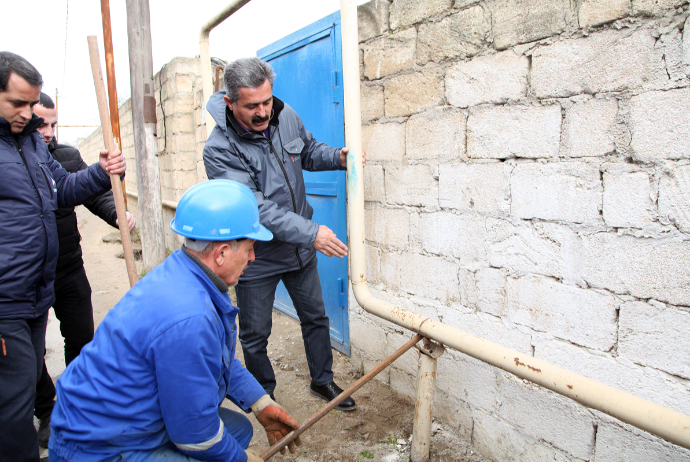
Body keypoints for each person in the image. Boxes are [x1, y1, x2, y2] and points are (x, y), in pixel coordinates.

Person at [49, 179, 302, 462]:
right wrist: (240, 460)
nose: (253, 257)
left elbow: (214, 360)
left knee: (238, 430)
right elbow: (196, 435)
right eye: (250, 247)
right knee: (222, 446)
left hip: (117, 420)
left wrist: (260, 402)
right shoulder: (190, 318)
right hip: (97, 447)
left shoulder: (185, 272)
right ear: (221, 254)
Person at [203, 57, 364, 411]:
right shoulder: (219, 149)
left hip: (298, 251)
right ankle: (266, 401)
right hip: (256, 257)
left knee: (316, 318)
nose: (263, 112)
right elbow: (255, 207)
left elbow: (308, 150)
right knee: (255, 335)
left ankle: (323, 381)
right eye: (252, 106)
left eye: (267, 101)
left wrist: (337, 157)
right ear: (230, 103)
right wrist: (311, 233)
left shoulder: (284, 114)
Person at [0, 51, 126, 462]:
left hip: (40, 289)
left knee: (28, 383)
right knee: (13, 408)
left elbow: (64, 190)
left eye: (31, 103)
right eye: (17, 103)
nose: (27, 113)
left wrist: (101, 169)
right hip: (6, 302)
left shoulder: (32, 143)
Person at [32, 92, 137, 448]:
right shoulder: (16, 160)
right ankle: (47, 409)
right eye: (40, 123)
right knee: (30, 353)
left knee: (80, 337)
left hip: (67, 266)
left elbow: (91, 194)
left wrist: (117, 214)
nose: (48, 131)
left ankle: (80, 403)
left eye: (53, 123)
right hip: (28, 277)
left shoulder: (64, 157)